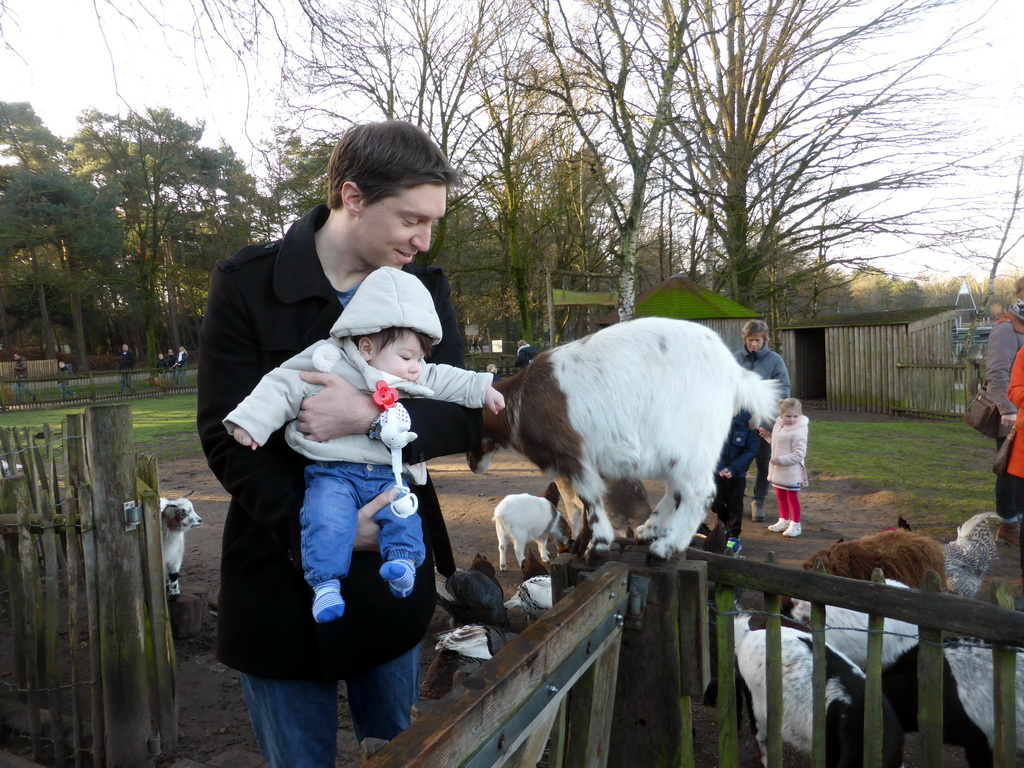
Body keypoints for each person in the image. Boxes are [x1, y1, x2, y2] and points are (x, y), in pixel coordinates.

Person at [196, 120, 483, 766]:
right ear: (352, 197)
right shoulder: (246, 284)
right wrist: (314, 531)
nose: (424, 238)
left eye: (433, 221)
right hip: (277, 585)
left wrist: (367, 410)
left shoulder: (425, 289)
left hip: (389, 578)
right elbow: (225, 434)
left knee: (401, 755)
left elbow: (462, 417)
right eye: (412, 218)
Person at [223, 266, 503, 623]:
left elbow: (446, 378)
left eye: (420, 358)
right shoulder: (327, 360)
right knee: (325, 518)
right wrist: (252, 423)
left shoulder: (413, 373)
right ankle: (325, 585)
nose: (416, 368)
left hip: (390, 474)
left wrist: (483, 388)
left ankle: (402, 565)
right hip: (333, 473)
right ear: (367, 347)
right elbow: (282, 386)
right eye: (406, 358)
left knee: (404, 513)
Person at [735, 319, 790, 522]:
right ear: (745, 339)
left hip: (766, 421)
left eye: (757, 340)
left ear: (764, 339)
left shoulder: (775, 360)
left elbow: (783, 388)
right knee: (738, 462)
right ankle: (735, 498)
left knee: (764, 463)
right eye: (750, 340)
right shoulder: (736, 359)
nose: (754, 344)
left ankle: (759, 499)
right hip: (740, 422)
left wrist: (768, 419)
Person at [983, 277, 1024, 548]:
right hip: (1010, 410)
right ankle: (1008, 527)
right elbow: (998, 373)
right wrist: (1007, 410)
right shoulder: (1006, 327)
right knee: (1009, 471)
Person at [710, 409, 761, 554]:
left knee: (735, 506)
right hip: (716, 470)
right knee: (716, 502)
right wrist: (720, 467)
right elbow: (711, 445)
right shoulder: (716, 419)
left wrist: (733, 469)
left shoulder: (750, 423)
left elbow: (751, 449)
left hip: (737, 474)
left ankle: (733, 536)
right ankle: (723, 523)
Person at [764, 398, 809, 538]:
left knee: (792, 497)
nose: (792, 419)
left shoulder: (799, 431)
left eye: (795, 416)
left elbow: (799, 454)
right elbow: (777, 443)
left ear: (800, 414)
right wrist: (767, 437)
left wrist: (780, 460)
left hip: (791, 472)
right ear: (781, 414)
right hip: (778, 470)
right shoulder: (779, 425)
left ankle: (796, 524)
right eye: (788, 416)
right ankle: (783, 520)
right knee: (780, 495)